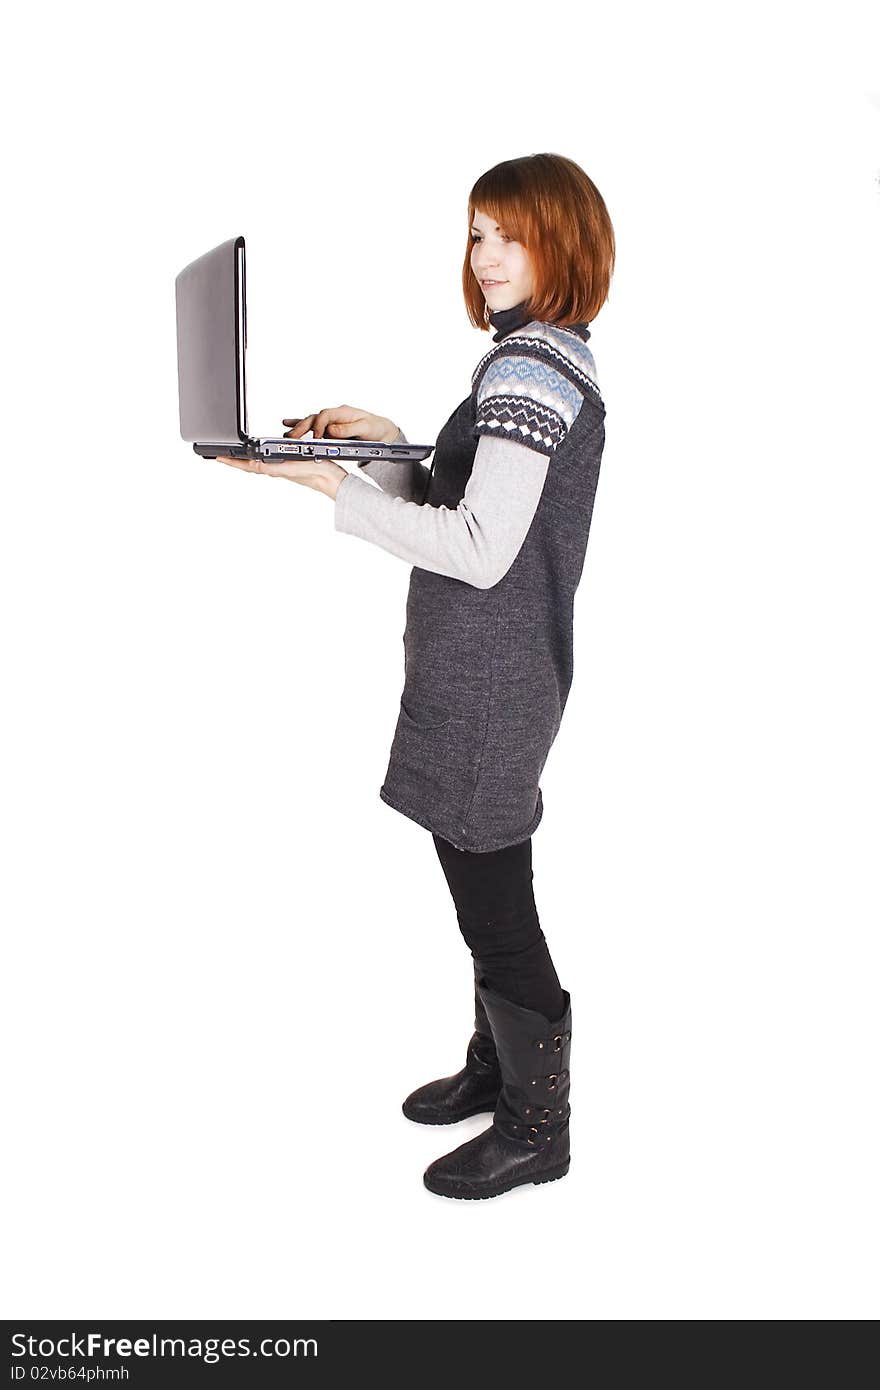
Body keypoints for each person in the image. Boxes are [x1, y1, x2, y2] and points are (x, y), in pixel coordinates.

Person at [217, 153, 615, 1200]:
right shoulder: (536, 357)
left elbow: (480, 547)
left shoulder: (530, 370)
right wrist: (387, 446)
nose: (483, 255)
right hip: (486, 672)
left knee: (494, 902)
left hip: (494, 682)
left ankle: (540, 1123)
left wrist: (323, 485)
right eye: (475, 232)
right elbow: (463, 501)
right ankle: (499, 1061)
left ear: (562, 241)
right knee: (475, 879)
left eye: (508, 233)